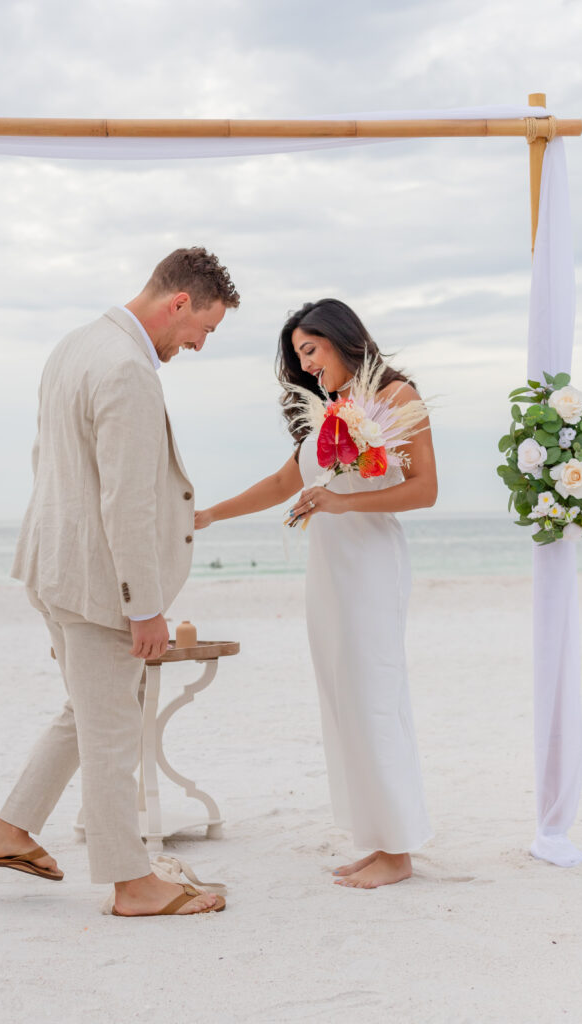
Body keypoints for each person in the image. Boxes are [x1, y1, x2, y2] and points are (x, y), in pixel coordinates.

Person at [0, 247, 239, 916]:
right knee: (115, 728)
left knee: (86, 710)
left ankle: (9, 830)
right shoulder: (126, 370)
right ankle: (132, 884)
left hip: (54, 565)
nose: (200, 344)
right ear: (178, 304)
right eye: (204, 328)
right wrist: (143, 608)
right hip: (94, 580)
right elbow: (128, 503)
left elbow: (49, 461)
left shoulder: (74, 346)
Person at [196, 298, 436, 889]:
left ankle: (399, 851)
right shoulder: (334, 408)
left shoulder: (397, 398)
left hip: (371, 563)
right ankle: (380, 839)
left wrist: (341, 502)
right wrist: (205, 517)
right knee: (344, 697)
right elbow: (286, 482)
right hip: (330, 567)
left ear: (342, 339)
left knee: (374, 694)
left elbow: (426, 489)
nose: (305, 366)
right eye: (298, 358)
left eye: (310, 350)